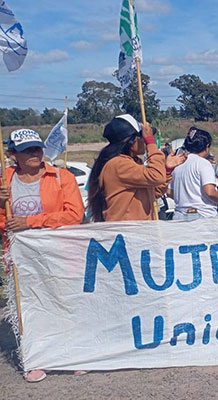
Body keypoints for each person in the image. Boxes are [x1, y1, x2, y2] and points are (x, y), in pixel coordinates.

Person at [0, 129, 84, 383]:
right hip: (20, 256)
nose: (34, 153)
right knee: (29, 307)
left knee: (63, 303)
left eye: (37, 148)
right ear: (13, 154)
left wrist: (30, 222)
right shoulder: (4, 180)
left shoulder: (61, 176)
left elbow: (74, 215)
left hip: (58, 252)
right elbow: (4, 222)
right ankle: (36, 358)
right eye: (26, 150)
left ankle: (72, 354)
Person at [87, 114, 186, 222]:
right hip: (125, 229)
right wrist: (150, 143)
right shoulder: (118, 164)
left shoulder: (132, 162)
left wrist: (167, 170)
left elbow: (154, 192)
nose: (144, 141)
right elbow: (156, 176)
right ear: (131, 140)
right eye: (142, 136)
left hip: (138, 228)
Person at [167, 127, 218, 220]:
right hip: (202, 214)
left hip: (179, 214)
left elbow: (169, 192)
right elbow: (209, 191)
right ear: (207, 146)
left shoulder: (179, 164)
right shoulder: (204, 163)